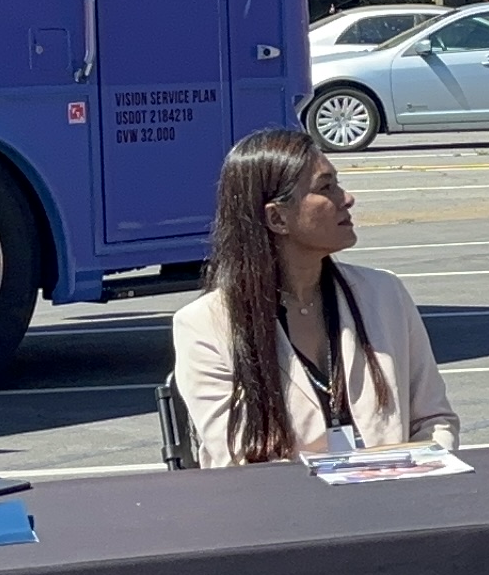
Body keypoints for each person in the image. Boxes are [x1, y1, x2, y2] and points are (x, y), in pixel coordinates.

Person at [171, 130, 455, 464]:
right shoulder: (206, 325)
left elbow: (433, 420)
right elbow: (236, 460)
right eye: (325, 188)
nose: (346, 198)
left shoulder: (384, 294)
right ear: (277, 218)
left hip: (394, 502)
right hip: (284, 510)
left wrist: (417, 473)